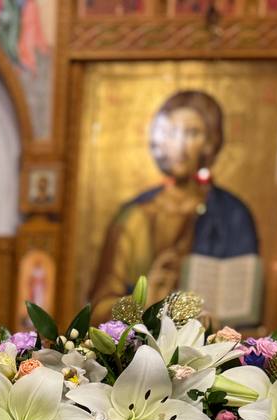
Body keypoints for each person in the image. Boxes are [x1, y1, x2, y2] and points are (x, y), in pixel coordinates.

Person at [90, 89, 259, 323]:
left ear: (210, 142)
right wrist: (145, 300)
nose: (180, 145)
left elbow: (243, 308)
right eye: (170, 133)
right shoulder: (135, 216)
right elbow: (98, 311)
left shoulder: (232, 214)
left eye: (193, 133)